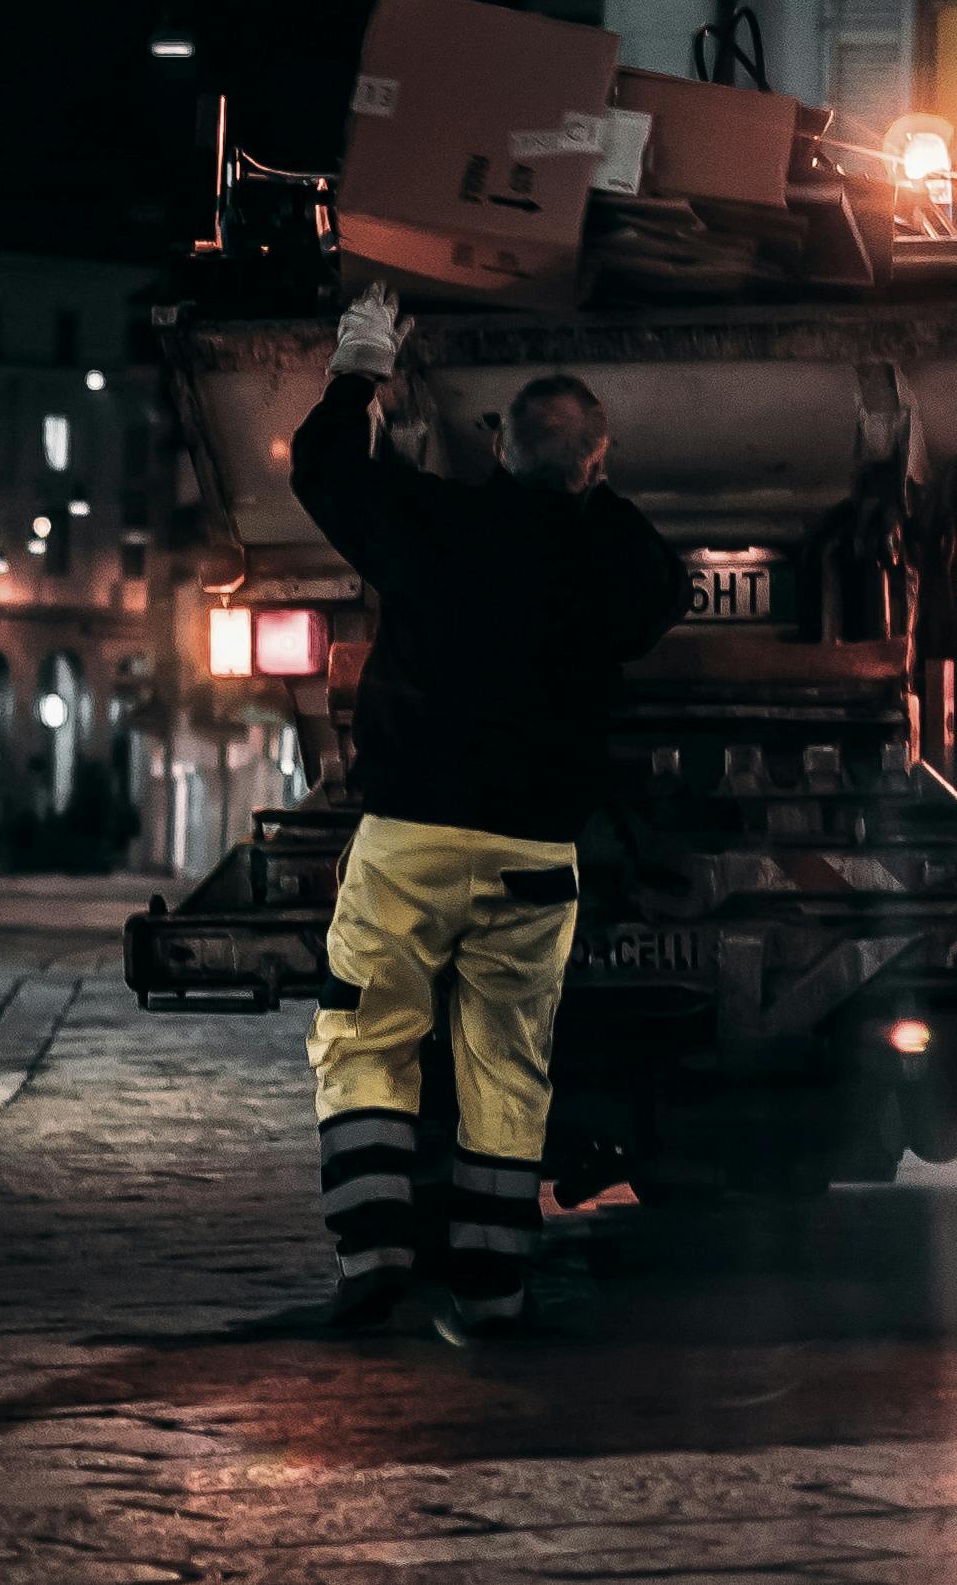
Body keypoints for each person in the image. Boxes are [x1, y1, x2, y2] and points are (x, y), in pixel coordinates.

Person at [286, 279, 684, 1340]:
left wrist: (363, 359)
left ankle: (373, 1249)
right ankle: (491, 1289)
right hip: (532, 849)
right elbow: (664, 590)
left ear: (495, 445)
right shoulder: (605, 555)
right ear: (592, 462)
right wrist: (592, 493)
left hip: (409, 835)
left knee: (364, 1037)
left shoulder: (433, 520)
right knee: (505, 1066)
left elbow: (322, 469)